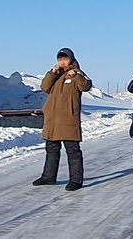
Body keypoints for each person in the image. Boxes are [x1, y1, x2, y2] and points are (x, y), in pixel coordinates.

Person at [33, 47, 92, 191]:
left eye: (65, 59)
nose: (63, 62)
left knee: (72, 150)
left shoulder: (77, 73)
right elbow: (45, 88)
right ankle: (48, 177)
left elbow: (86, 86)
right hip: (53, 119)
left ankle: (76, 180)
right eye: (60, 59)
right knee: (51, 148)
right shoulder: (57, 75)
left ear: (71, 59)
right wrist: (52, 73)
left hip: (68, 119)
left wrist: (75, 76)